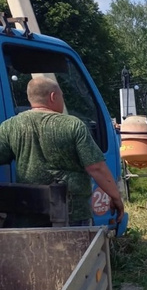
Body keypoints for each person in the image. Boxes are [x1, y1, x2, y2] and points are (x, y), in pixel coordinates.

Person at [0, 76, 124, 226]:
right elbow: (95, 167)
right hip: (73, 215)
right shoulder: (72, 125)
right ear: (53, 96)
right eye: (62, 97)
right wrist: (115, 196)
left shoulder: (10, 126)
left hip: (28, 215)